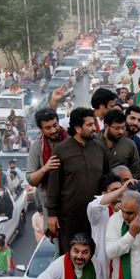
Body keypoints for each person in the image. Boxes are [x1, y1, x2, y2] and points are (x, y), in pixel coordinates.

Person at [46, 107, 110, 255]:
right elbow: (53, 184)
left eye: (93, 123)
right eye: (89, 125)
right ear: (77, 128)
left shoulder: (99, 147)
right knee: (70, 257)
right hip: (69, 217)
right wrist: (51, 214)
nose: (94, 128)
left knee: (96, 256)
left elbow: (107, 179)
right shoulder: (60, 150)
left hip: (96, 216)